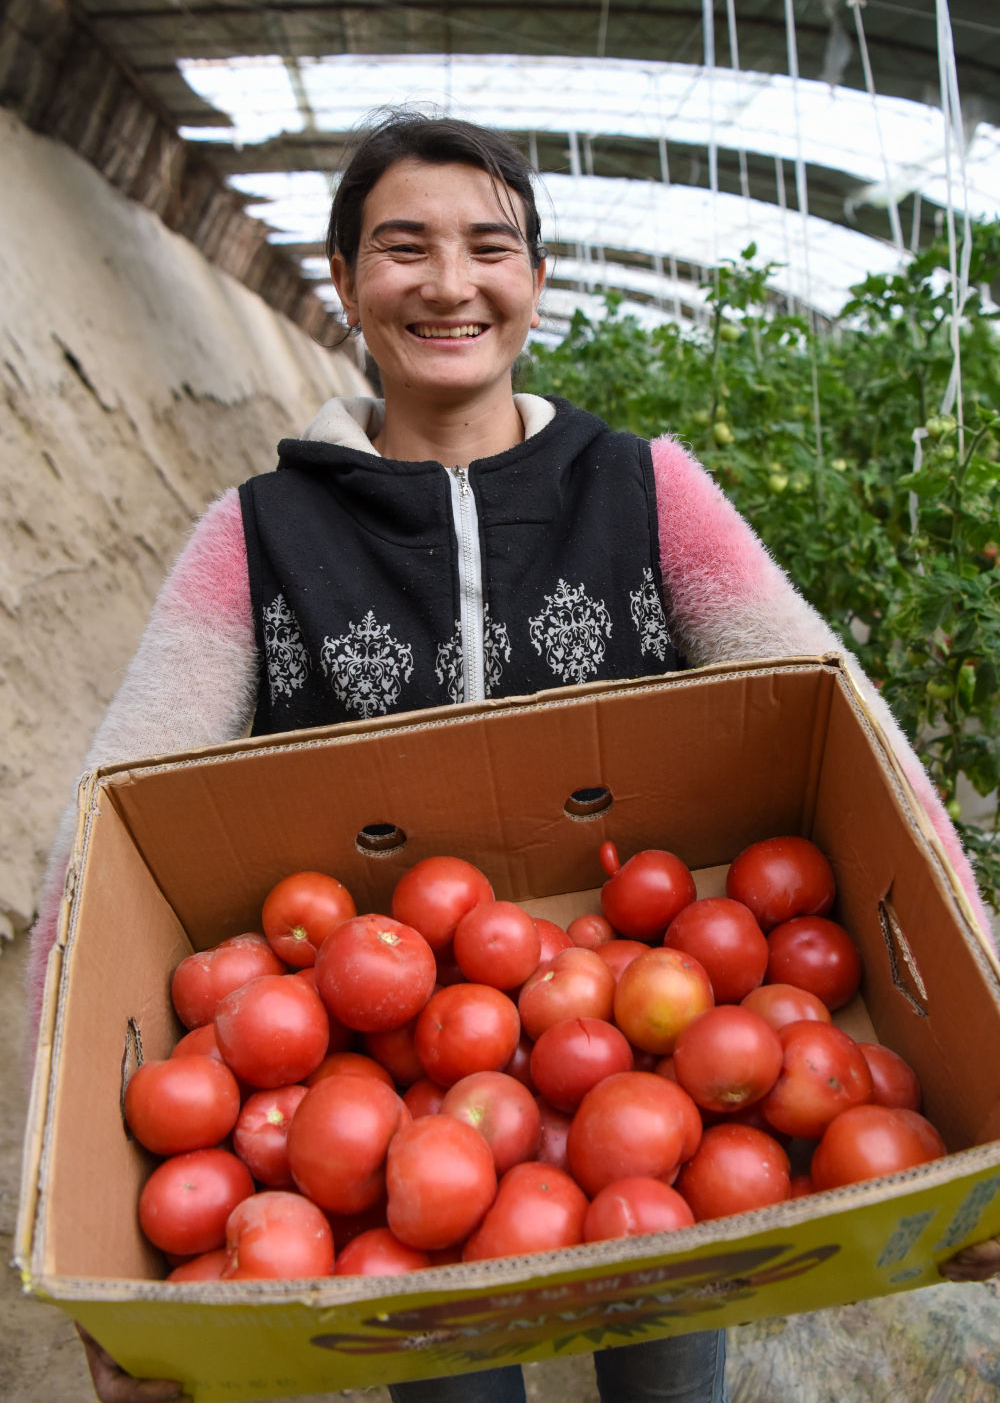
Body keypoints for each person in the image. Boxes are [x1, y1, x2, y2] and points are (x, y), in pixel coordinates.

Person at [29, 112, 1000, 1403]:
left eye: (490, 247)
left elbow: (859, 734)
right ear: (344, 280)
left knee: (668, 1360)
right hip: (384, 1069)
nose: (448, 283)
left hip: (642, 1037)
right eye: (402, 247)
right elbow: (100, 837)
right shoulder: (256, 535)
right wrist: (71, 1219)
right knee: (448, 1381)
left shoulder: (650, 491)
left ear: (535, 281)